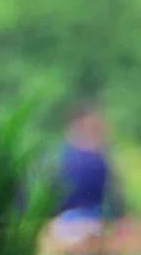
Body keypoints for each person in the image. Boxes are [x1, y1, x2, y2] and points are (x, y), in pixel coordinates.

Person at [51, 103, 122, 242]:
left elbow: (113, 194)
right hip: (67, 220)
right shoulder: (62, 156)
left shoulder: (101, 157)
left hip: (95, 219)